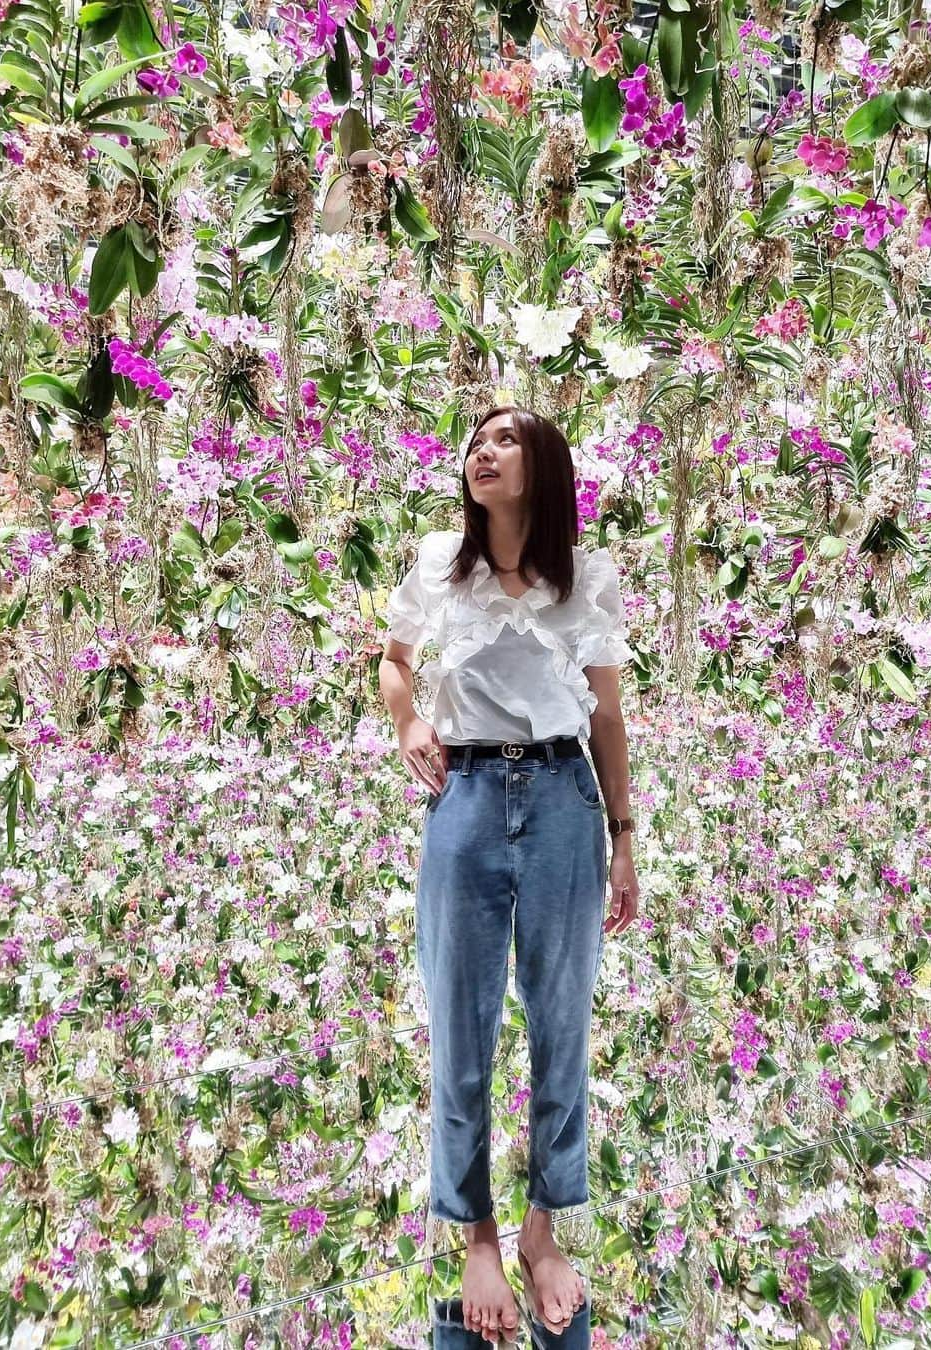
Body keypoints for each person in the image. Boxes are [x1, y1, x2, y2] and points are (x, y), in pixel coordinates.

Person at [378, 406, 640, 1346]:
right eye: (474, 442)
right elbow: (395, 663)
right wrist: (409, 722)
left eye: (504, 442)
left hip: (567, 795)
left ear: (544, 468)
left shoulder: (589, 579)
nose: (480, 453)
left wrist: (623, 835)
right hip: (469, 796)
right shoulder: (440, 562)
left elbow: (605, 716)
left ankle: (543, 1232)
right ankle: (477, 1233)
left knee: (563, 1015)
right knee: (461, 1017)